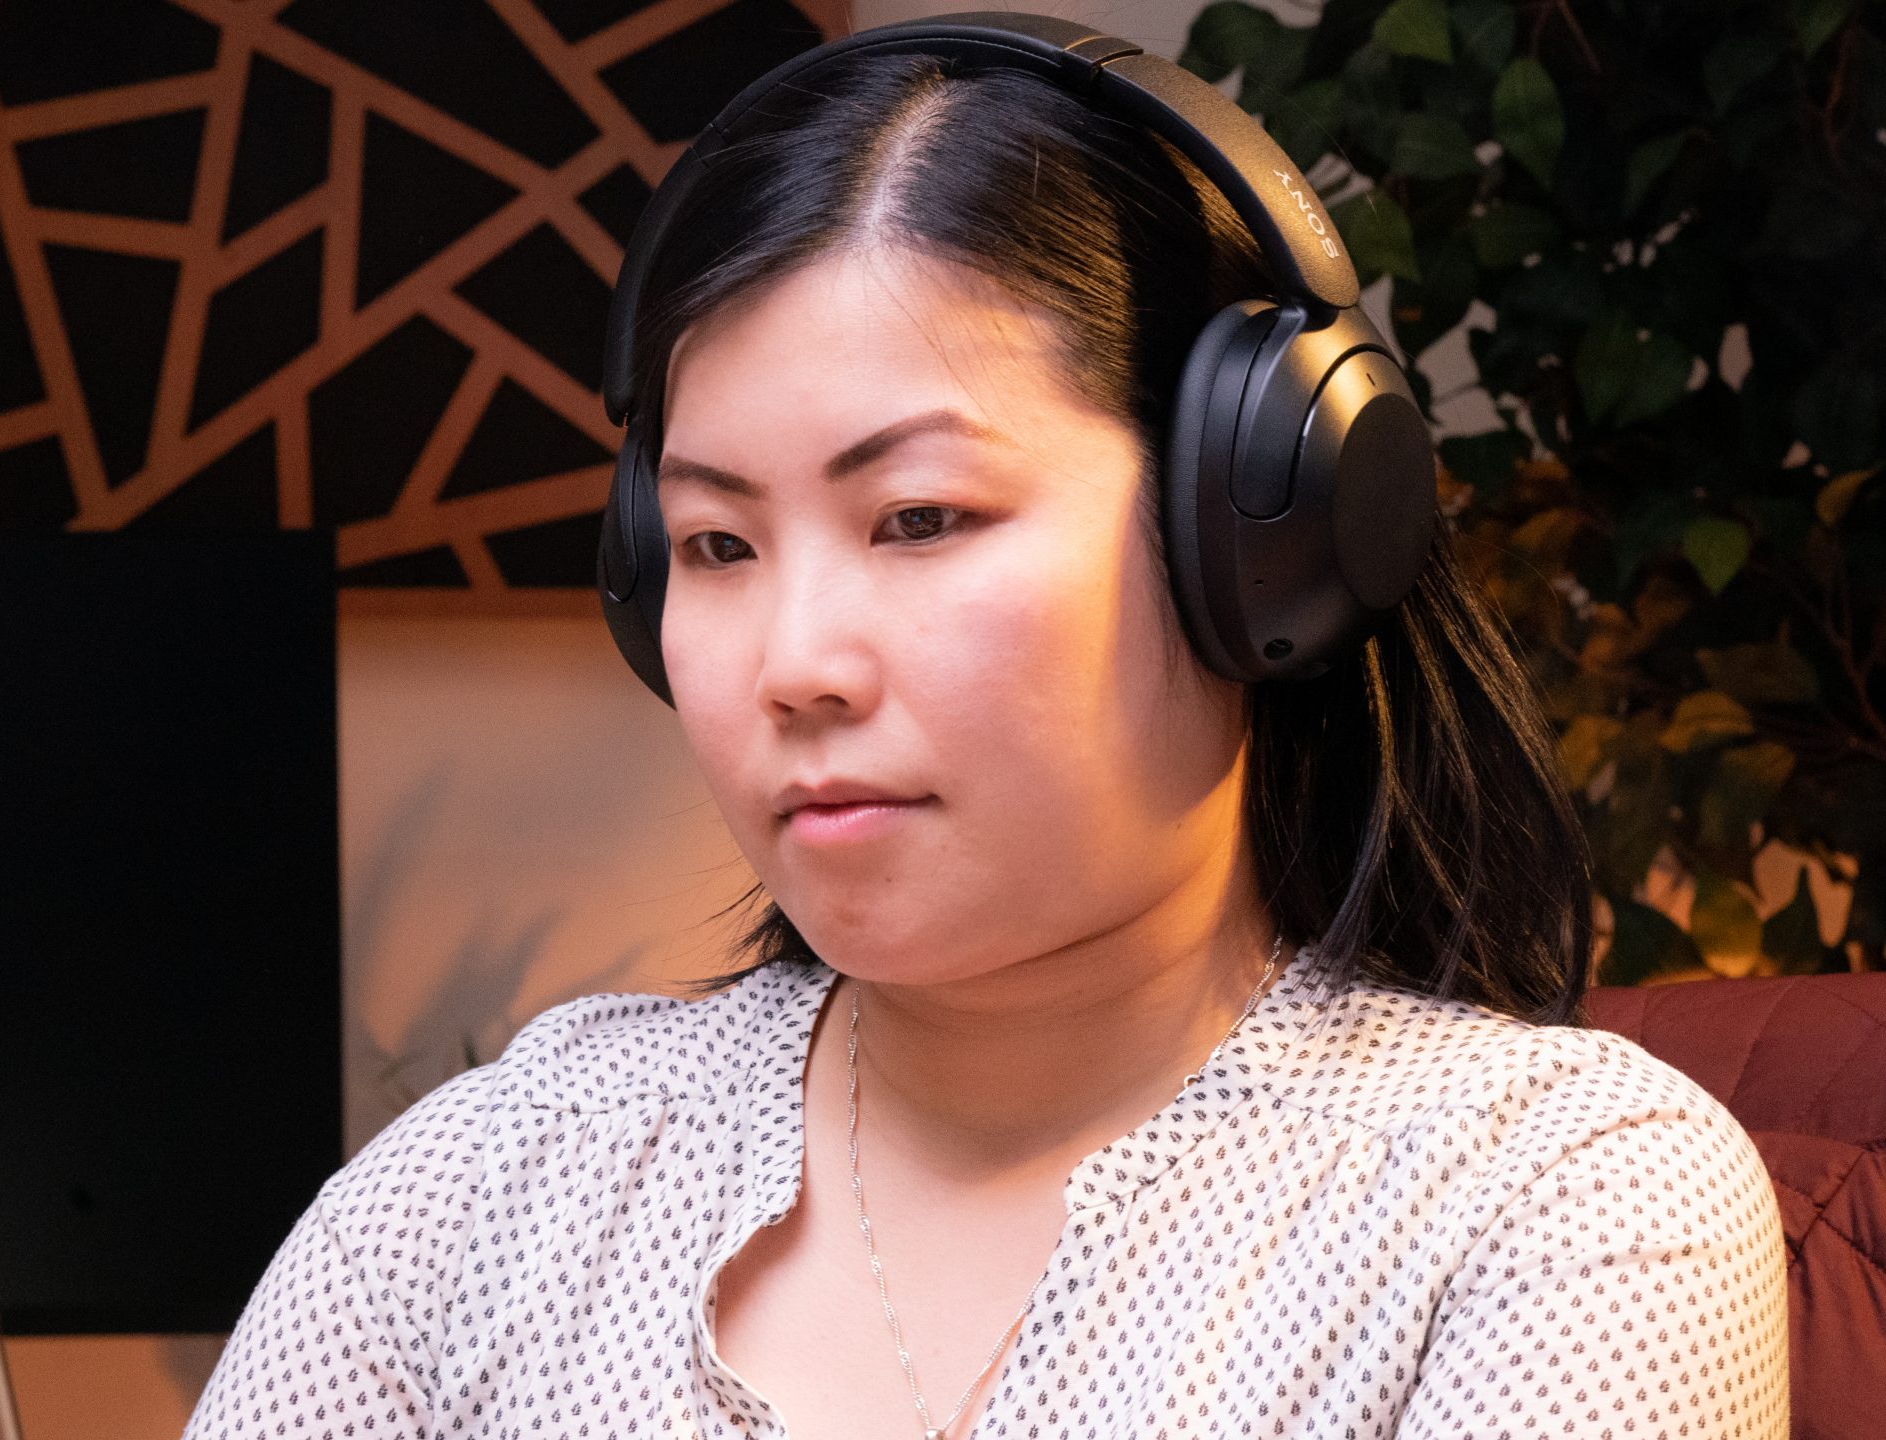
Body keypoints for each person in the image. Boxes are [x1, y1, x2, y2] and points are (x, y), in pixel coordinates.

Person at [183, 18, 1789, 1440]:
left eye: (922, 517)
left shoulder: (1560, 1204)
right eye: (719, 546)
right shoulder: (481, 1197)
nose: (793, 664)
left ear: (1257, 531)